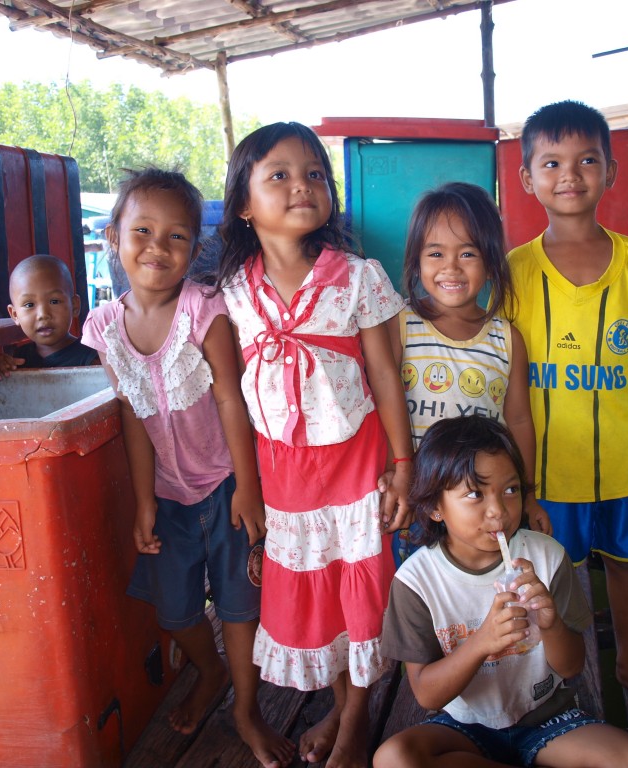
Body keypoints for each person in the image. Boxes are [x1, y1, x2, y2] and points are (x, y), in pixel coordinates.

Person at [216, 122, 414, 768]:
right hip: (285, 479)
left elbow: (386, 373)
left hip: (356, 469)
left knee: (360, 595)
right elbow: (232, 400)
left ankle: (355, 719)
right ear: (243, 205)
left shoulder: (357, 277)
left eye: (315, 175)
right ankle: (340, 702)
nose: (302, 185)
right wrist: (247, 486)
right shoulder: (233, 295)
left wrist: (403, 465)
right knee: (323, 597)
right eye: (279, 174)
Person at [81, 168, 292, 768]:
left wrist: (247, 488)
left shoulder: (205, 308)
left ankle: (246, 712)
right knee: (175, 612)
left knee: (237, 607)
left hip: (226, 486)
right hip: (169, 499)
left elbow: (233, 397)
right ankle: (210, 673)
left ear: (194, 249)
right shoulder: (103, 329)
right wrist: (145, 500)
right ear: (113, 240)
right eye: (142, 230)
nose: (157, 246)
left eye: (177, 236)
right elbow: (134, 415)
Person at [508, 100, 628, 717]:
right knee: (549, 576)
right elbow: (506, 376)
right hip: (548, 470)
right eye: (551, 162)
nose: (570, 175)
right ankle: (556, 674)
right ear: (527, 179)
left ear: (609, 170)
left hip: (626, 461)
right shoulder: (514, 271)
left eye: (586, 160)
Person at [374, 415, 628, 768]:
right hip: (464, 726)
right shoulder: (417, 581)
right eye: (474, 494)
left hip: (547, 719)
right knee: (394, 759)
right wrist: (483, 642)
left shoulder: (546, 557)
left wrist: (550, 622)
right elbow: (426, 693)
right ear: (436, 506)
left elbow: (572, 666)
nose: (498, 511)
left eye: (510, 490)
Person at [389, 181, 550, 563]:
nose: (451, 267)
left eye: (467, 253)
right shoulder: (399, 325)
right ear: (416, 260)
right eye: (435, 253)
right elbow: (383, 407)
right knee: (421, 595)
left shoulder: (507, 339)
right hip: (419, 501)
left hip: (484, 511)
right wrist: (395, 474)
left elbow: (520, 422)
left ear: (492, 262)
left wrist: (527, 495)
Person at [0, 254, 98, 379]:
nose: (43, 314)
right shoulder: (17, 359)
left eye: (54, 301)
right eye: (29, 304)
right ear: (15, 314)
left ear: (74, 306)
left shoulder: (92, 359)